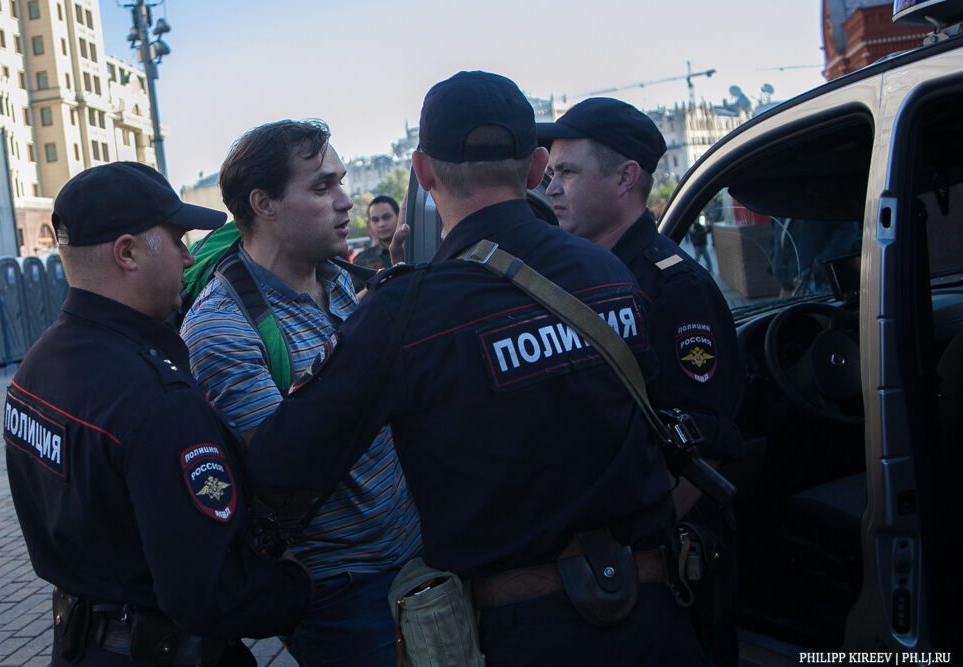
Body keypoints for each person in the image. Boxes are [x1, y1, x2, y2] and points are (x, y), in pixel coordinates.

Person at [243, 71, 709, 665]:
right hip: (657, 614)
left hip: (523, 633)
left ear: (422, 171)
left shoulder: (404, 311)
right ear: (537, 167)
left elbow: (283, 462)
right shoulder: (612, 273)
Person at [3, 162, 312, 666]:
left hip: (83, 645)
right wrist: (297, 584)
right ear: (127, 252)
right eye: (176, 240)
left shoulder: (37, 367)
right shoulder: (155, 399)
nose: (189, 258)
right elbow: (208, 593)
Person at [181, 120, 421, 667]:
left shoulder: (338, 277)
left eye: (341, 182)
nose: (345, 201)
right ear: (263, 204)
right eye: (321, 188)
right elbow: (281, 464)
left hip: (414, 549)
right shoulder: (221, 325)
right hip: (342, 588)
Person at [538, 97, 743, 666]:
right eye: (551, 174)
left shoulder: (670, 287)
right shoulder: (593, 278)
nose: (552, 189)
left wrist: (640, 551)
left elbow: (710, 443)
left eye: (569, 173)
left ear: (626, 177)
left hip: (668, 563)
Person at [350, 195, 399, 293]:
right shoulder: (361, 261)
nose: (381, 224)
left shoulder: (415, 249)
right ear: (370, 224)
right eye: (375, 220)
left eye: (387, 217)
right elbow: (353, 302)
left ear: (399, 216)